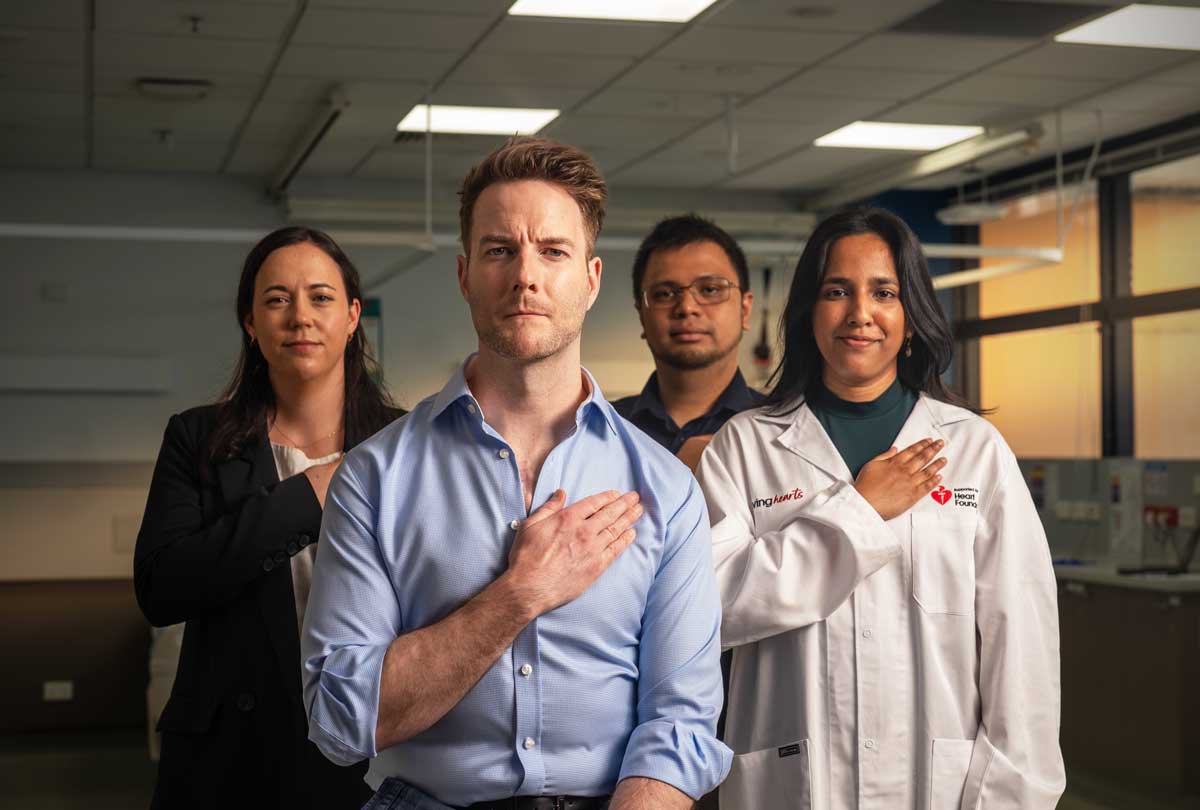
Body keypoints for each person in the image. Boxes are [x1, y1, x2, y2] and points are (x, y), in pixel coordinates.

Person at [301, 137, 731, 810]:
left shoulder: (665, 490)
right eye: (501, 250)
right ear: (466, 275)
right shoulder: (374, 478)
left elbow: (680, 724)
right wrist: (520, 593)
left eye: (552, 251)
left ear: (590, 279)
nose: (525, 275)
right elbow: (340, 719)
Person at [696, 207, 1065, 809]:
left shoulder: (972, 449)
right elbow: (709, 607)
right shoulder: (744, 445)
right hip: (790, 782)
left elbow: (1019, 644)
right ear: (808, 314)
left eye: (884, 292)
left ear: (911, 316)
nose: (859, 314)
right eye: (836, 291)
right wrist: (859, 511)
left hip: (939, 785)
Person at [134, 226, 402, 809]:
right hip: (230, 757)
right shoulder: (198, 437)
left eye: (321, 297)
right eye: (277, 299)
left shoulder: (404, 442)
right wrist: (311, 491)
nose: (300, 317)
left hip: (372, 750)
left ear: (353, 316)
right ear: (251, 324)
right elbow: (162, 586)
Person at [612, 214, 763, 472]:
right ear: (641, 315)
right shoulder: (599, 429)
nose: (687, 308)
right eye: (665, 294)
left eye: (710, 290)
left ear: (745, 309)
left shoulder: (782, 430)